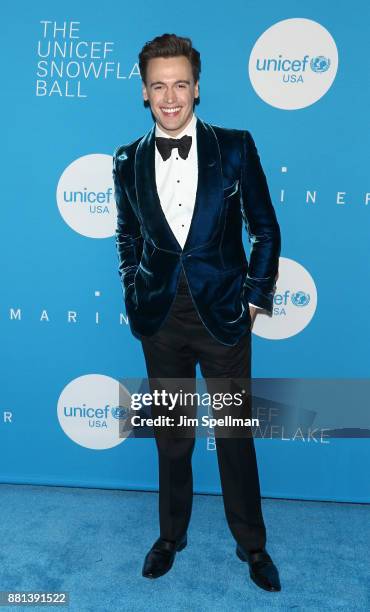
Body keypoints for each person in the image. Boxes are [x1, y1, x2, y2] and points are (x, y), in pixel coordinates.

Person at [113, 33, 281, 592]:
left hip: (225, 314)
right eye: (158, 85)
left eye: (180, 84)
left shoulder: (234, 147)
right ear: (143, 92)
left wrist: (255, 297)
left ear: (197, 88)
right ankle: (170, 536)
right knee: (173, 435)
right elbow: (128, 235)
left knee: (234, 434)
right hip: (160, 319)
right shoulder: (126, 160)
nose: (170, 96)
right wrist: (134, 294)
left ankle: (252, 545)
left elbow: (265, 228)